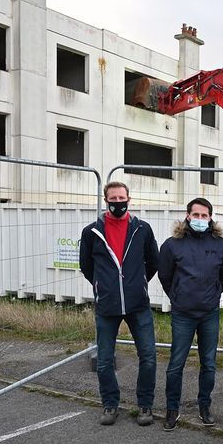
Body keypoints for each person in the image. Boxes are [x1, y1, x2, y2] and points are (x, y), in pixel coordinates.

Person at [79, 181, 159, 426]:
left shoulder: (142, 229)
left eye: (121, 198)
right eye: (113, 199)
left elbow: (153, 262)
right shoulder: (91, 232)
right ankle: (110, 404)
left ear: (128, 199)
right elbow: (86, 266)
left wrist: (137, 284)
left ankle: (145, 405)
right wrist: (104, 286)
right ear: (106, 201)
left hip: (138, 304)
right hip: (107, 306)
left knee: (148, 357)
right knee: (104, 361)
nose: (118, 203)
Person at [157, 198, 223, 431]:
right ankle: (172, 408)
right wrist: (178, 297)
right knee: (176, 364)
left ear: (210, 218)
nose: (200, 219)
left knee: (208, 363)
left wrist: (213, 294)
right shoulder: (172, 245)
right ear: (188, 216)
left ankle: (204, 406)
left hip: (209, 313)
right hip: (183, 314)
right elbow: (164, 275)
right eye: (196, 215)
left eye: (204, 216)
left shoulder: (221, 245)